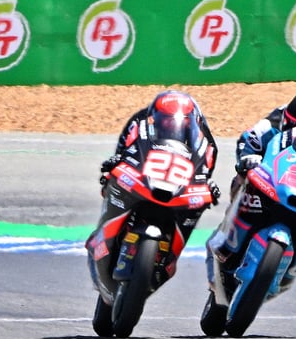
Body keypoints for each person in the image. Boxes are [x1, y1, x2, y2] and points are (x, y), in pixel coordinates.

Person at [86, 90, 219, 280]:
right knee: (109, 183)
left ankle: (166, 257)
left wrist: (206, 186)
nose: (171, 125)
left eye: (177, 122)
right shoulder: (138, 122)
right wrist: (116, 164)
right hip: (143, 178)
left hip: (177, 186)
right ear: (154, 118)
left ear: (191, 123)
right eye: (164, 120)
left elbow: (205, 170)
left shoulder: (206, 141)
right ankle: (106, 237)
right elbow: (124, 152)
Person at [208, 90, 296, 266]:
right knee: (240, 179)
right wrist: (247, 159)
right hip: (267, 176)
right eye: (295, 127)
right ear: (286, 119)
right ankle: (231, 227)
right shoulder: (268, 126)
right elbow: (246, 143)